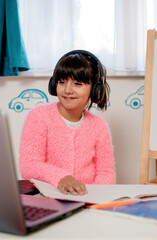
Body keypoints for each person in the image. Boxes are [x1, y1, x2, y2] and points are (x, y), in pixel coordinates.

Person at [19, 50, 116, 196]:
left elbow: (106, 173)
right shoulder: (39, 116)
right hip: (47, 197)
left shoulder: (99, 126)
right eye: (62, 82)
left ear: (95, 90)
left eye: (77, 84)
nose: (67, 90)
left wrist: (93, 197)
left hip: (87, 199)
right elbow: (29, 165)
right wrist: (61, 178)